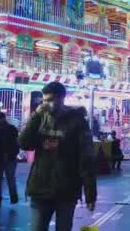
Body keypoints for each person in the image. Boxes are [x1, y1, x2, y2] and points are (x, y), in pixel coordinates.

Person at [19, 82, 96, 231]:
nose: (47, 104)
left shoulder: (77, 122)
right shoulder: (40, 118)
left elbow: (86, 158)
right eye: (44, 100)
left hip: (66, 189)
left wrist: (90, 193)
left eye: (50, 100)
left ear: (62, 99)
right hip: (40, 187)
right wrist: (35, 116)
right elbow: (24, 143)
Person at [0, 111, 20, 207]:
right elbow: (16, 142)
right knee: (10, 178)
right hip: (9, 158)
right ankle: (13, 198)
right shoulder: (12, 129)